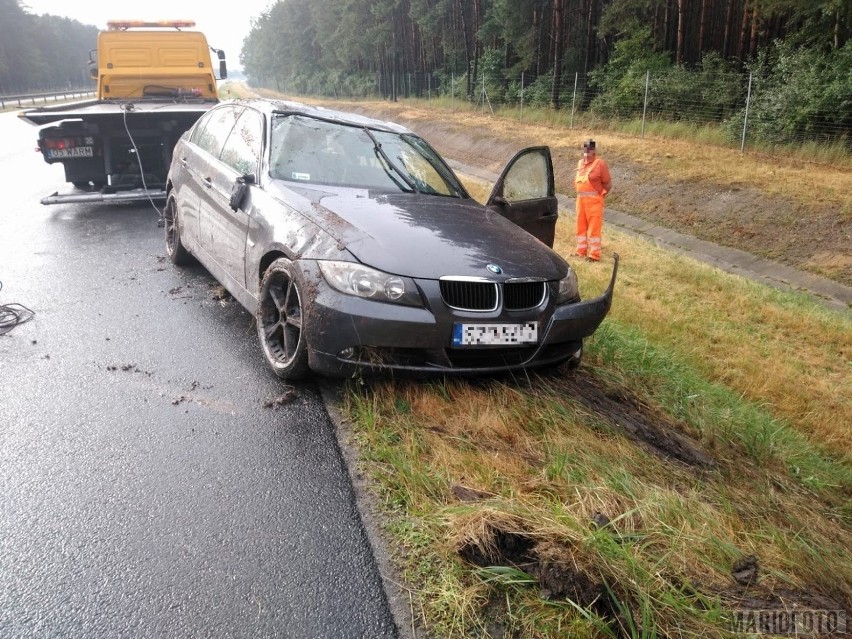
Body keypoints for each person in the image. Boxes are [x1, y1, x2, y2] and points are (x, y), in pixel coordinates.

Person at [574, 139, 612, 261]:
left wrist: (600, 196)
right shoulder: (580, 163)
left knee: (594, 229)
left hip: (594, 202)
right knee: (580, 227)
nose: (586, 151)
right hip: (580, 201)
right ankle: (581, 251)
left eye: (589, 148)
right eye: (585, 148)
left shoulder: (600, 164)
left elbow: (608, 184)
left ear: (594, 150)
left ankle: (594, 255)